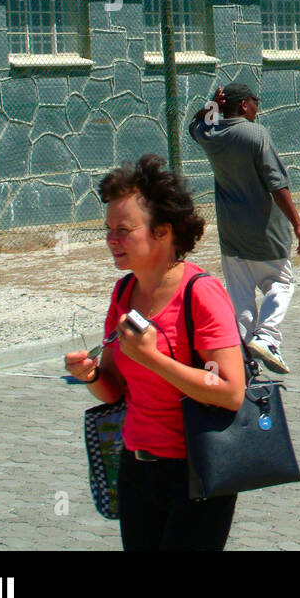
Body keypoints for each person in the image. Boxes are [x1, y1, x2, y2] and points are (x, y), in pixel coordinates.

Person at [64, 154, 246, 551]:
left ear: (162, 232)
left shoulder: (201, 294)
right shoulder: (124, 294)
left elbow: (232, 391)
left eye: (124, 230)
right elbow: (115, 391)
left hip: (198, 472)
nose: (111, 239)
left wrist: (154, 360)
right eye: (108, 228)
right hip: (136, 468)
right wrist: (91, 375)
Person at [189, 82, 300, 375]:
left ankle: (243, 364)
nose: (258, 108)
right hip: (265, 232)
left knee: (241, 300)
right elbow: (277, 184)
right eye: (255, 102)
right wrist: (298, 224)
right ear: (244, 105)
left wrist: (211, 106)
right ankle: (267, 337)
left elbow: (194, 124)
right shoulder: (256, 134)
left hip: (231, 236)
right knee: (281, 284)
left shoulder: (211, 134)